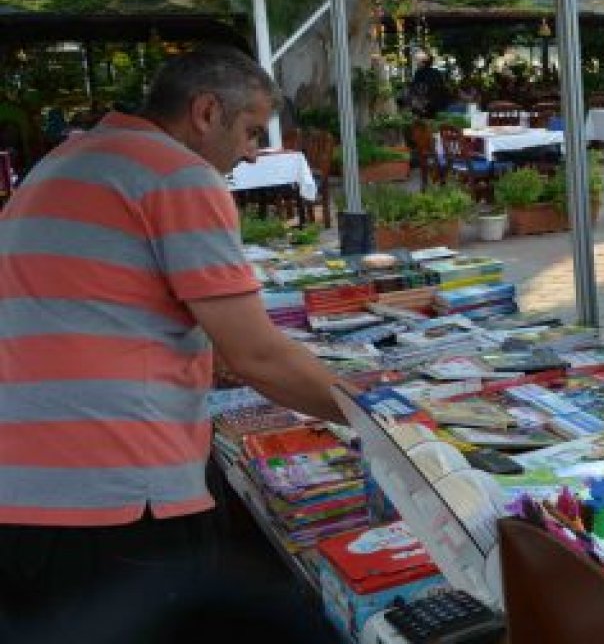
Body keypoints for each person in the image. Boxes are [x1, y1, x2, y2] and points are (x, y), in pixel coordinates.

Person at [0, 46, 345, 626]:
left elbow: (95, 310)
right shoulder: (178, 174)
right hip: (117, 497)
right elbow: (258, 354)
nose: (252, 152)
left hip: (25, 491)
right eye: (251, 131)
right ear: (207, 112)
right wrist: (380, 419)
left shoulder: (68, 159)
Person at [409, 51, 448, 119]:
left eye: (418, 61)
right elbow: (443, 87)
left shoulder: (419, 73)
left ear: (423, 63)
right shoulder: (436, 73)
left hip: (424, 103)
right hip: (437, 103)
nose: (417, 63)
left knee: (422, 121)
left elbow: (415, 88)